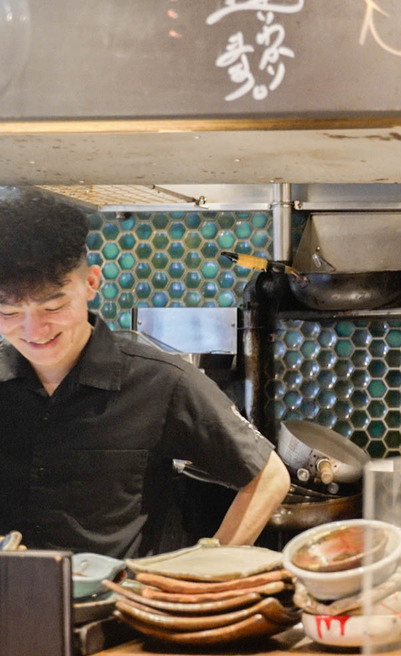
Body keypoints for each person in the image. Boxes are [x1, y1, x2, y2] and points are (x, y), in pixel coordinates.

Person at [0, 189, 291, 559]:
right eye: (8, 312)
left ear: (91, 282)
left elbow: (268, 477)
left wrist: (206, 572)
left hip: (118, 607)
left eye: (53, 305)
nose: (34, 330)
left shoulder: (161, 381)